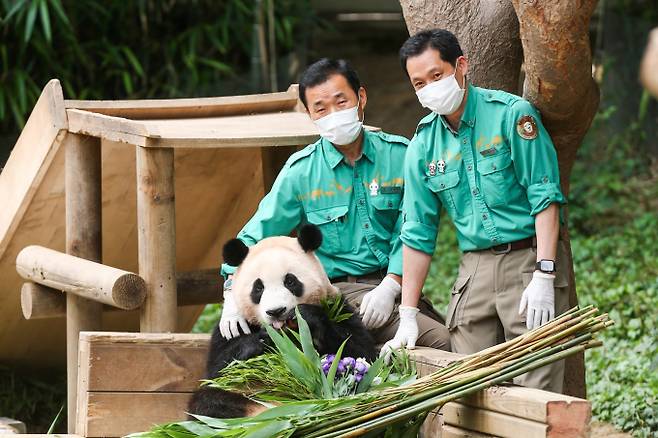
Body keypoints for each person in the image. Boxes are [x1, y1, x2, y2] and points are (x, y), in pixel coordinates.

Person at [218, 58, 450, 353]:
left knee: (444, 335)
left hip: (395, 286)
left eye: (341, 102)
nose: (333, 115)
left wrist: (391, 284)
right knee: (440, 342)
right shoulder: (301, 172)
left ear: (360, 98)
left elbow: (411, 227)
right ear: (309, 113)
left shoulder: (400, 155)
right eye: (321, 108)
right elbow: (253, 236)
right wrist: (231, 295)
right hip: (336, 293)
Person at [385, 29, 569, 393]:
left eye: (436, 76)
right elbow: (418, 232)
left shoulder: (511, 115)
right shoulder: (422, 145)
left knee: (538, 385)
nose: (429, 88)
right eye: (419, 83)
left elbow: (544, 196)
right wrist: (407, 314)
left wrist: (544, 273)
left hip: (527, 261)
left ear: (461, 66)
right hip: (474, 271)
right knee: (469, 389)